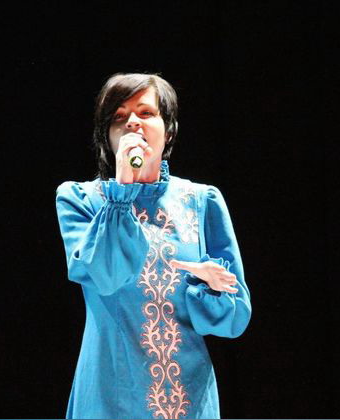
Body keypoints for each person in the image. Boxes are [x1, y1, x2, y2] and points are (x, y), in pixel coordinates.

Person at [55, 72, 252, 419]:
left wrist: (210, 288)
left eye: (145, 113)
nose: (132, 122)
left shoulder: (201, 200)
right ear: (107, 137)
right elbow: (104, 276)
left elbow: (233, 320)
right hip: (110, 393)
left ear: (169, 130)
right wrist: (120, 191)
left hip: (188, 396)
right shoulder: (80, 199)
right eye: (119, 117)